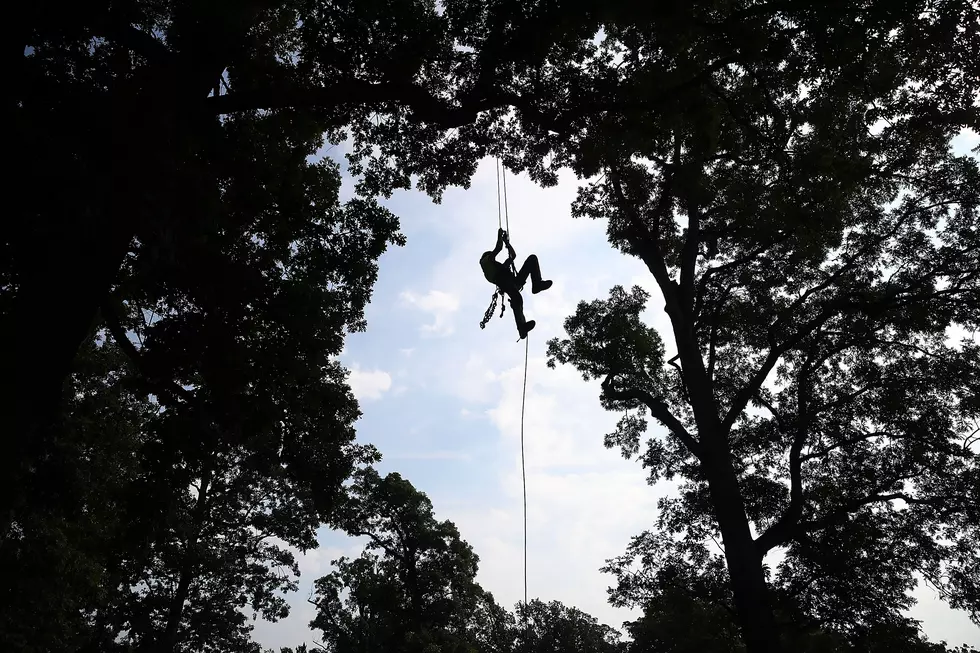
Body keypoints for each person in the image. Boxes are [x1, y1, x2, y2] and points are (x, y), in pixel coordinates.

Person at [479, 228, 552, 339]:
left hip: (513, 282)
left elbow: (512, 256)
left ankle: (537, 284)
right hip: (507, 283)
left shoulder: (497, 267)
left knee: (532, 259)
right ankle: (522, 328)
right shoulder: (487, 262)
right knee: (517, 299)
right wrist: (500, 236)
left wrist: (507, 244)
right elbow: (498, 248)